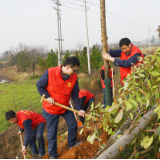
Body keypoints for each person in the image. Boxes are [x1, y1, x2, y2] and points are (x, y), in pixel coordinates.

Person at [36, 56, 85, 159]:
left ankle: (72, 144)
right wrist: (48, 97)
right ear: (67, 67)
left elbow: (75, 94)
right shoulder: (50, 73)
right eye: (74, 70)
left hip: (64, 106)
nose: (75, 72)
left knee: (73, 124)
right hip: (51, 109)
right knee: (52, 133)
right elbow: (39, 85)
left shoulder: (74, 77)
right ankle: (53, 155)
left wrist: (79, 108)